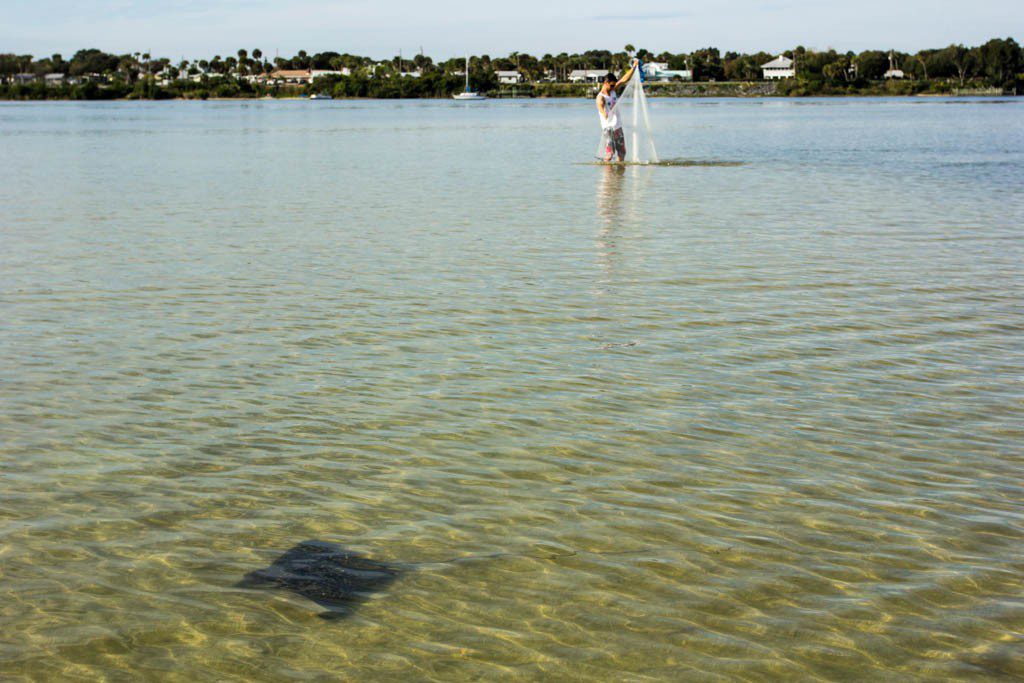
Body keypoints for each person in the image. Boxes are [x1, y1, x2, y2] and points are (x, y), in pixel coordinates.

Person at [596, 59, 639, 162]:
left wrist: (634, 67)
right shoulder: (600, 98)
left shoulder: (613, 89)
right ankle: (608, 177)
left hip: (618, 126)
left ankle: (619, 177)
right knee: (610, 154)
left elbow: (624, 79)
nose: (613, 87)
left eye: (613, 85)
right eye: (611, 85)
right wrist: (606, 114)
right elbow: (602, 111)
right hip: (608, 128)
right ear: (605, 83)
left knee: (622, 152)